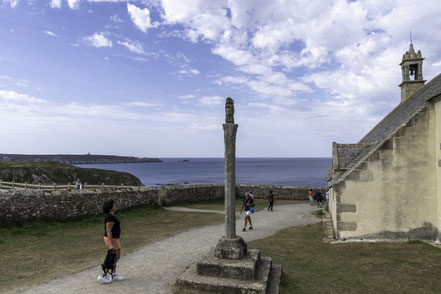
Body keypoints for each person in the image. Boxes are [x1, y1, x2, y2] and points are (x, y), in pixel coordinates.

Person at [98, 200, 124, 284]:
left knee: (115, 257)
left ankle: (114, 274)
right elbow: (108, 230)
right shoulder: (110, 217)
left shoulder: (111, 216)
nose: (115, 205)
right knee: (113, 257)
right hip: (112, 238)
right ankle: (103, 275)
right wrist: (111, 243)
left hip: (114, 238)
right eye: (114, 205)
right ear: (110, 208)